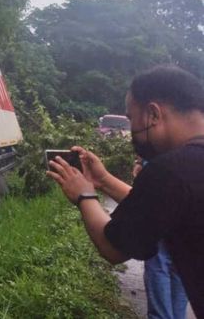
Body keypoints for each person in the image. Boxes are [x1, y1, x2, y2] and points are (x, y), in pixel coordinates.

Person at [46, 65, 204, 317]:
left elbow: (113, 247)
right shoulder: (185, 171)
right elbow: (157, 207)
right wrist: (104, 180)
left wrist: (84, 195)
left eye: (131, 118)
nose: (130, 130)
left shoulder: (171, 169)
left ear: (153, 114)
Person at [131, 156, 189, 319]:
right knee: (180, 262)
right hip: (190, 183)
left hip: (164, 174)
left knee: (158, 258)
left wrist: (141, 161)